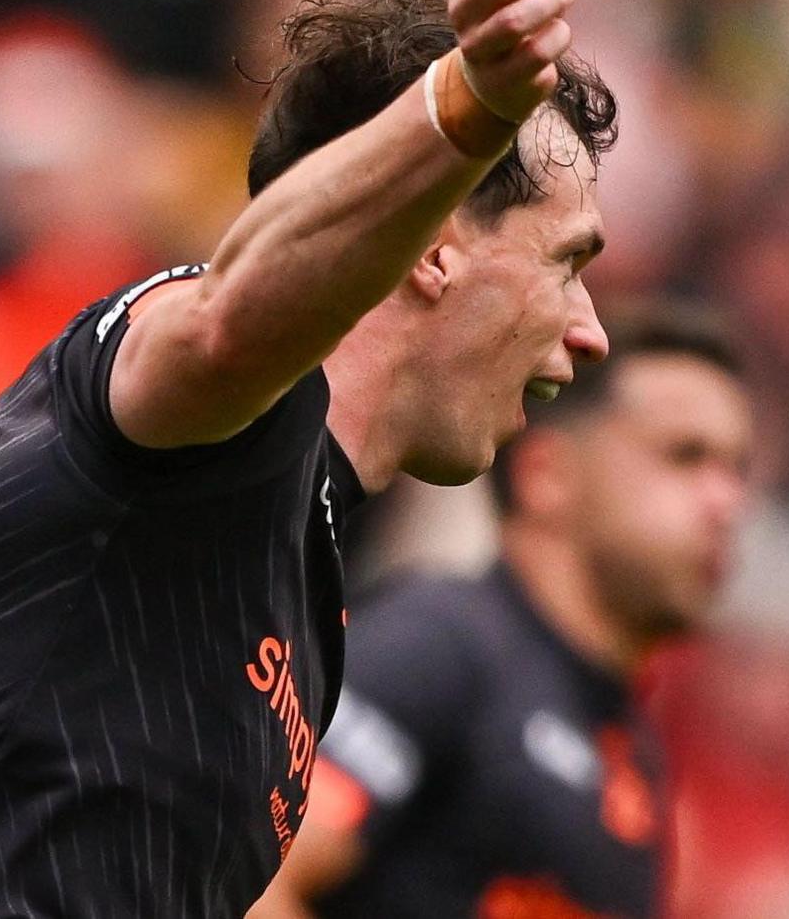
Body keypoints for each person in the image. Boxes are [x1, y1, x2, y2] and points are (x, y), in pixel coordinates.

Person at [0, 0, 618, 919]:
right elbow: (230, 325)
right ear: (434, 248)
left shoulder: (306, 581)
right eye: (567, 263)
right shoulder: (198, 368)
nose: (591, 331)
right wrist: (460, 108)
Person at [250, 308, 754, 918]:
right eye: (684, 456)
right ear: (548, 474)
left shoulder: (635, 761)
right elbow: (254, 882)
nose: (725, 503)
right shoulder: (438, 647)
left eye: (737, 470)